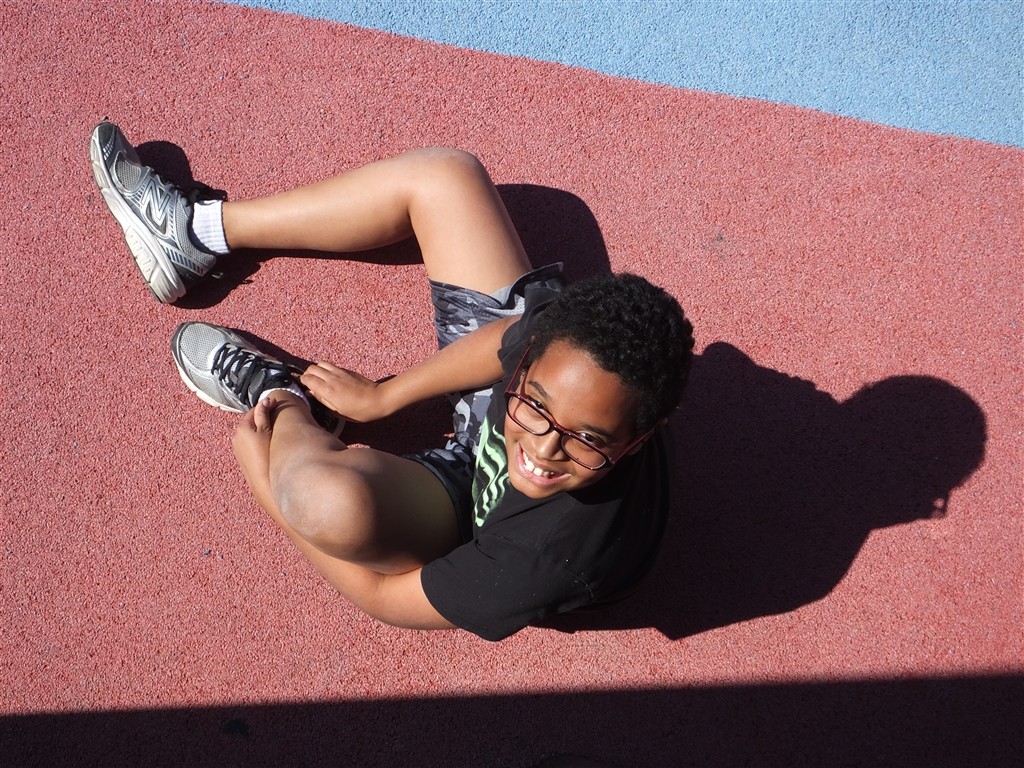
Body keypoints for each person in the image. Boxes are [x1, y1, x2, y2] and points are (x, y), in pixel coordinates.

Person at [89, 121, 695, 641]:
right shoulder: (572, 349)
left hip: (471, 515)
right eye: (536, 405)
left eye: (586, 439)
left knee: (322, 502)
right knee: (445, 177)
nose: (540, 448)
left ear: (638, 440)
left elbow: (383, 598)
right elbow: (510, 340)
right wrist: (385, 395)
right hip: (507, 415)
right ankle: (192, 233)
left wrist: (268, 488)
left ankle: (287, 402)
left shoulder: (546, 561)